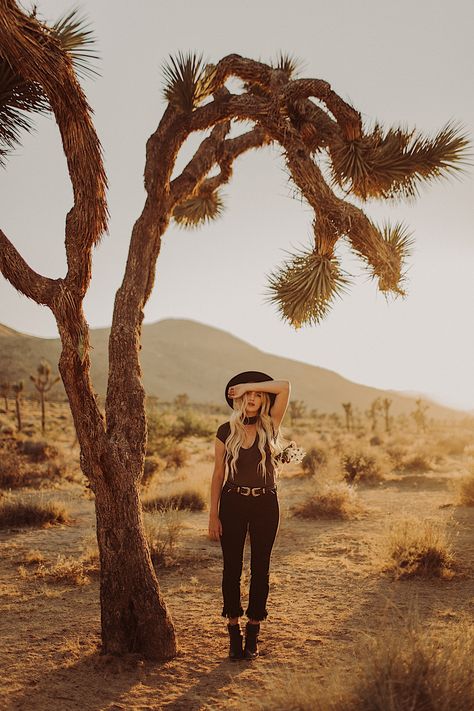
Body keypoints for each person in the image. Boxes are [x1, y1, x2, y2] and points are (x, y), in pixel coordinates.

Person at [208, 370, 291, 661]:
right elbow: (218, 474)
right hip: (232, 503)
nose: (253, 399)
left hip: (266, 504)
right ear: (238, 399)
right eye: (247, 395)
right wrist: (212, 516)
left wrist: (248, 385)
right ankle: (233, 632)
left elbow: (284, 386)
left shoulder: (271, 425)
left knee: (260, 568)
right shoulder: (225, 431)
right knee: (231, 568)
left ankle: (253, 631)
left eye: (257, 395)